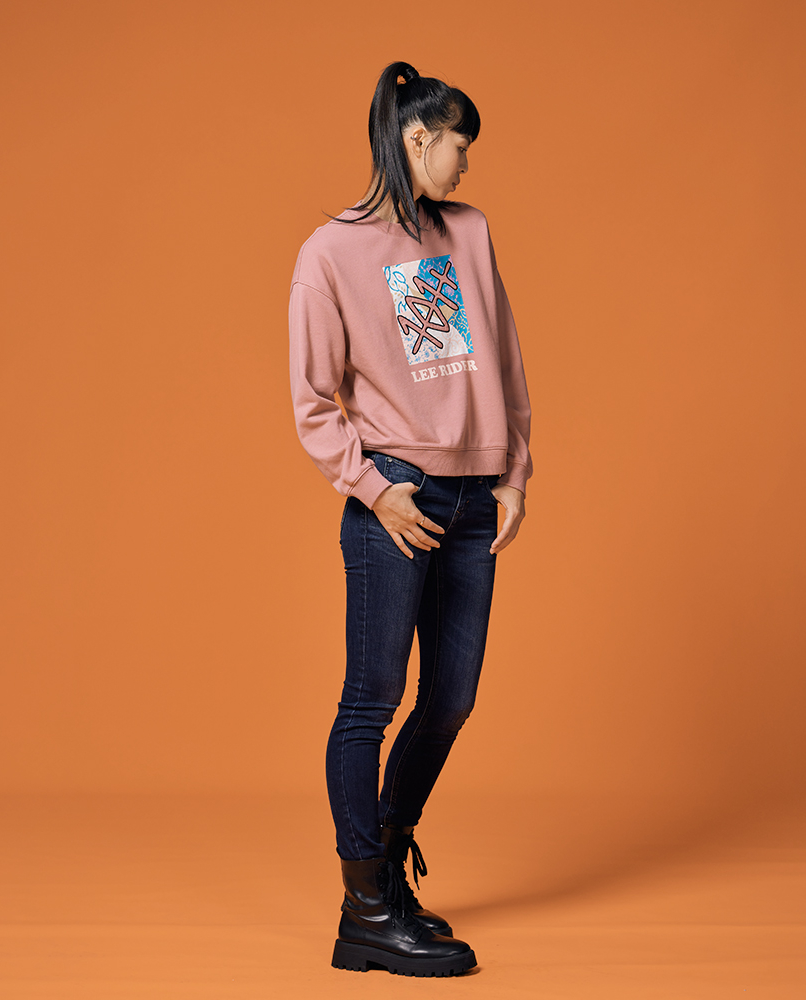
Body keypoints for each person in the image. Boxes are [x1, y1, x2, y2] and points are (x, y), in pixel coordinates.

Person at [288, 60, 532, 977]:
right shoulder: (331, 253)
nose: (468, 162)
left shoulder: (465, 232)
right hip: (396, 494)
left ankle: (388, 865)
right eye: (459, 144)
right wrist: (370, 485)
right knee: (372, 699)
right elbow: (313, 399)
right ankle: (365, 909)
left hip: (473, 497)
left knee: (453, 697)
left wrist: (514, 473)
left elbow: (498, 360)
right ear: (416, 138)